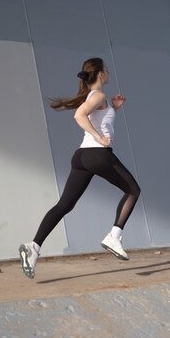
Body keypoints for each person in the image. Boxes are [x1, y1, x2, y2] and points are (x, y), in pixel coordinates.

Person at [19, 57, 141, 279]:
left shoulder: (95, 97)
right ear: (101, 74)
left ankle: (33, 247)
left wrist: (115, 108)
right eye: (106, 68)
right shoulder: (98, 96)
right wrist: (99, 137)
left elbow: (97, 119)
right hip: (97, 154)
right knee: (133, 190)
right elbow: (79, 115)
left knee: (64, 205)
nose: (108, 71)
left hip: (82, 156)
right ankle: (114, 236)